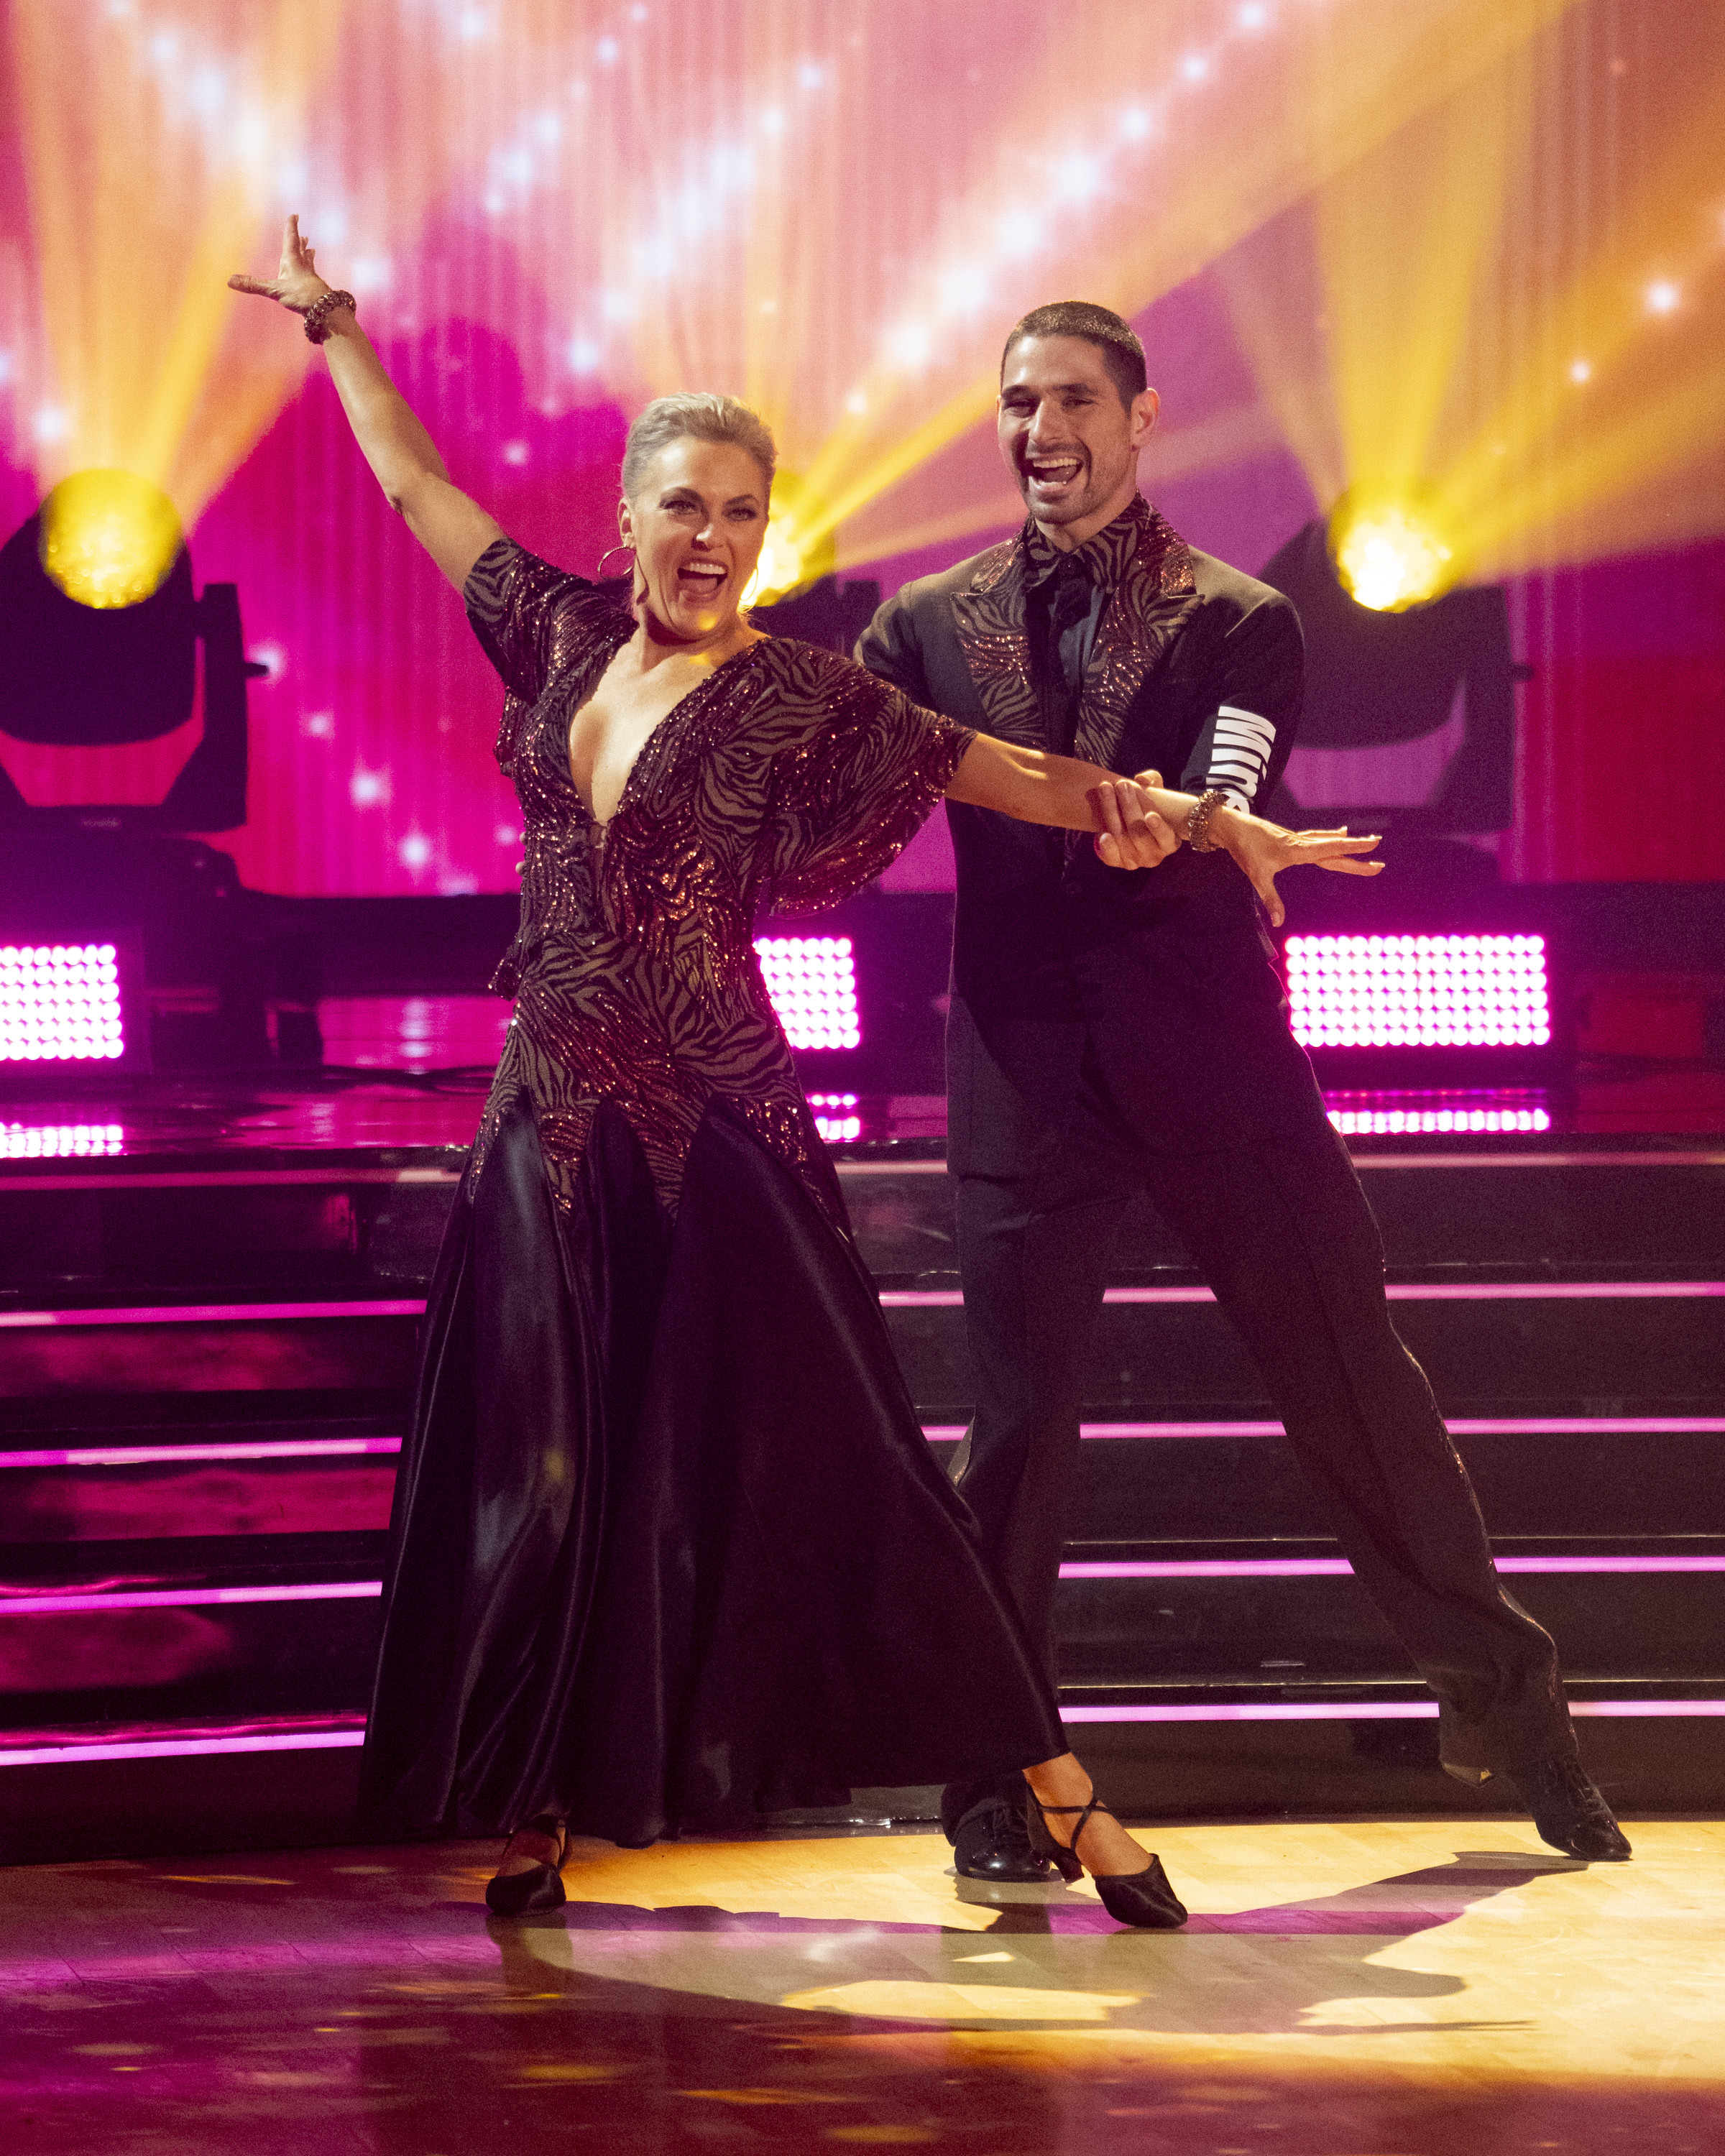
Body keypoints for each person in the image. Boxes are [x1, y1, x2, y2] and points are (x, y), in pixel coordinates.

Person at [231, 224, 1366, 1924]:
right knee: (550, 1461)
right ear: (628, 520)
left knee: (856, 1460)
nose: (712, 539)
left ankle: (1053, 1784)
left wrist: (1204, 819)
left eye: (743, 512)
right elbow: (412, 490)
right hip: (547, 1122)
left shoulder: (800, 699)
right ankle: (547, 1797)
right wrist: (336, 333)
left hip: (721, 1120)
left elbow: (1019, 773)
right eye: (683, 506)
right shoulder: (548, 634)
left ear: (770, 532)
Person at [856, 300, 1632, 1881]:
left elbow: (1233, 761)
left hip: (1212, 1057)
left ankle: (1510, 1704)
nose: (1040, 427)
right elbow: (847, 767)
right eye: (1017, 401)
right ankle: (998, 1782)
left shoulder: (1240, 614)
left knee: (1361, 1387)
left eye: (1073, 398)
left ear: (1140, 423)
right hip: (1023, 1075)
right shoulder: (926, 626)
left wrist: (1200, 821)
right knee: (1014, 1439)